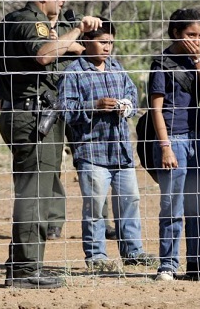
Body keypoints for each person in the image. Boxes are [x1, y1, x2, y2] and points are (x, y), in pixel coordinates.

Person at [0, 0, 102, 289]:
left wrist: (5, 98)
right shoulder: (27, 21)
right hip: (32, 118)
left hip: (29, 114)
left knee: (39, 190)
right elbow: (44, 55)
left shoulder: (21, 22)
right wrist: (75, 33)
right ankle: (25, 271)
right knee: (34, 193)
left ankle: (24, 264)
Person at [58, 18, 157, 271]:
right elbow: (65, 111)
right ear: (86, 42)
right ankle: (96, 257)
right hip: (91, 152)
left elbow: (132, 97)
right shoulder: (73, 73)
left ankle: (133, 251)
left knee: (130, 201)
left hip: (121, 151)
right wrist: (94, 107)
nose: (107, 47)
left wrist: (127, 107)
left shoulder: (116, 67)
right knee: (95, 206)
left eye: (111, 42)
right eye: (102, 42)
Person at [148, 8, 200, 282]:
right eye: (191, 34)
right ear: (176, 33)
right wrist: (165, 146)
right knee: (172, 205)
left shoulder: (197, 62)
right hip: (172, 140)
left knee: (199, 206)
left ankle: (197, 263)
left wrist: (199, 63)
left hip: (198, 139)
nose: (196, 40)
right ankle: (168, 264)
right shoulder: (162, 64)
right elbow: (156, 109)